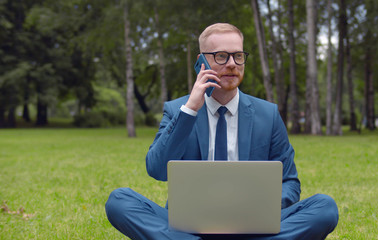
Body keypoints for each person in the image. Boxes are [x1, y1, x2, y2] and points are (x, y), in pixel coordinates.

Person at [105, 23, 339, 240]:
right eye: (221, 56)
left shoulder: (268, 114)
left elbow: (289, 183)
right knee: (119, 200)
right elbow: (156, 168)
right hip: (190, 226)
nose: (231, 64)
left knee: (324, 207)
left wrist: (258, 207)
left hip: (252, 224)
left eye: (238, 56)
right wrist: (190, 110)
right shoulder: (178, 110)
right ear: (201, 62)